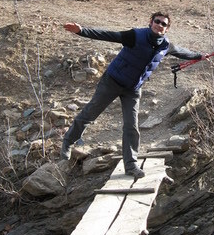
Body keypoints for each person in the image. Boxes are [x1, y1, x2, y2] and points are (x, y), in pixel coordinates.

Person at [61, 11, 205, 179]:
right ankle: (68, 143)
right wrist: (81, 31)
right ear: (151, 22)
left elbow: (182, 51)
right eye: (157, 21)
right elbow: (109, 35)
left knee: (131, 126)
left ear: (167, 29)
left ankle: (130, 165)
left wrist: (200, 56)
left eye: (163, 24)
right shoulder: (135, 35)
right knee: (90, 114)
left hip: (133, 89)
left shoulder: (166, 46)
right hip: (112, 81)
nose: (160, 25)